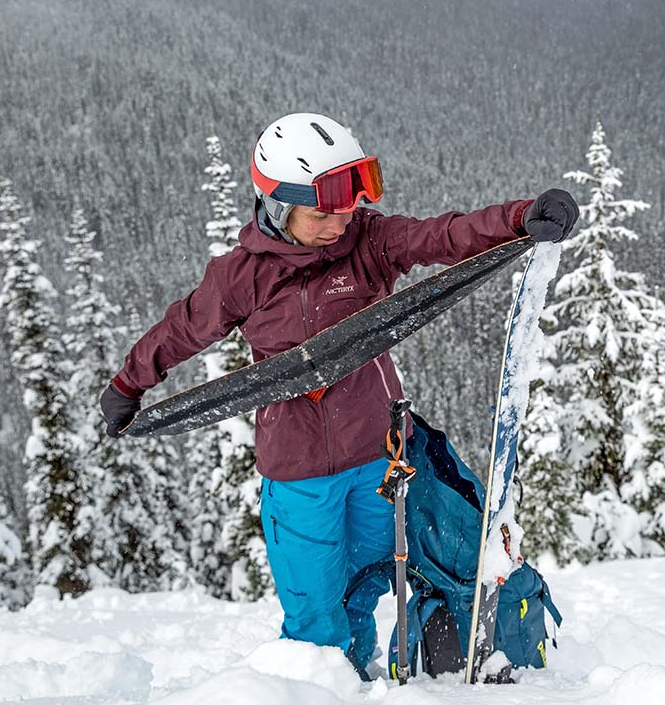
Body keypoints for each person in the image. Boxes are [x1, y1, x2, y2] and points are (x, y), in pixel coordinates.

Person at [99, 112, 578, 677]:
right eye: (322, 213)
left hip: (381, 461)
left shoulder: (368, 243)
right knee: (315, 627)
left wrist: (520, 217)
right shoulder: (240, 277)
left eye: (347, 208)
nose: (338, 223)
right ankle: (332, 686)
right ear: (279, 208)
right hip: (299, 480)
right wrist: (130, 382)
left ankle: (384, 677)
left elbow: (442, 235)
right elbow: (183, 329)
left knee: (381, 584)